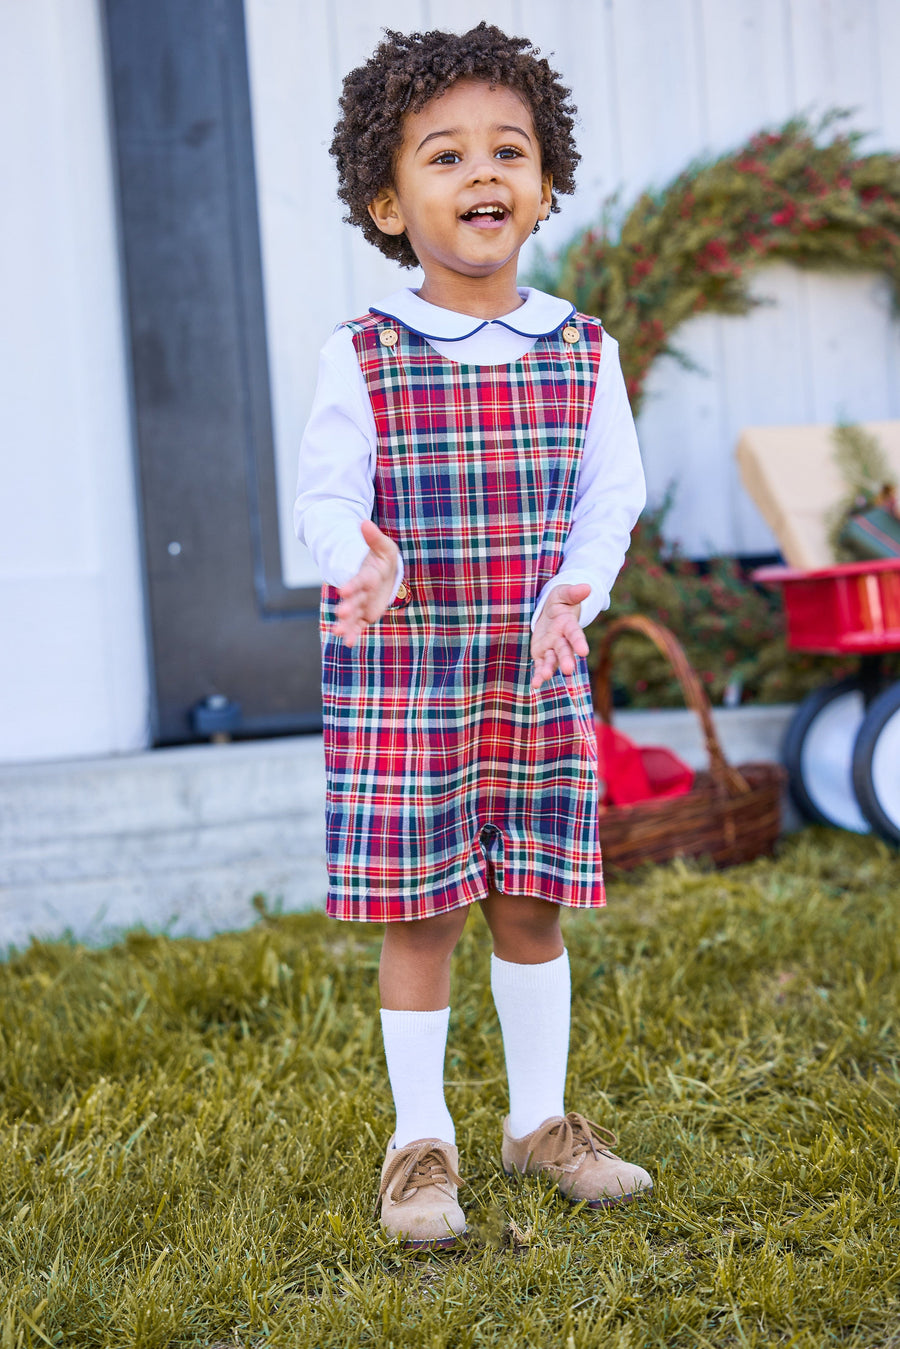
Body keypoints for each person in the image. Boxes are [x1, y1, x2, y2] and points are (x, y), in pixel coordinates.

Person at [294, 22, 651, 1248]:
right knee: (426, 911)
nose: (483, 174)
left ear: (547, 184)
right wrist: (359, 557)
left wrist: (580, 586)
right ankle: (419, 1140)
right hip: (410, 672)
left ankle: (539, 1119)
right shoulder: (365, 354)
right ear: (390, 204)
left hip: (534, 666)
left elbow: (614, 492)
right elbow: (326, 498)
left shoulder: (581, 348)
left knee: (532, 904)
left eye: (511, 150)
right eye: (445, 156)